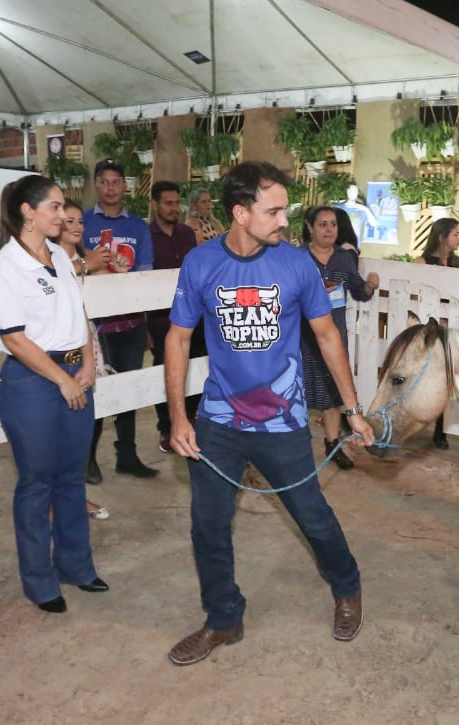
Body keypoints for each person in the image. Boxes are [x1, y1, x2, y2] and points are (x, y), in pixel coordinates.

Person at [162, 161, 375, 666]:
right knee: (208, 525)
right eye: (273, 210)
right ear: (240, 213)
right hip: (217, 421)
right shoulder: (199, 262)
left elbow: (327, 336)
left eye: (286, 209)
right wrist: (177, 417)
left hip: (282, 422)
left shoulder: (297, 265)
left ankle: (347, 587)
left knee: (313, 517)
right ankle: (222, 619)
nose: (284, 220)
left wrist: (352, 410)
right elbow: (177, 337)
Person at [0, 175, 109, 614]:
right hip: (34, 381)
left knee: (71, 476)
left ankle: (76, 565)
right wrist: (63, 378)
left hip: (76, 370)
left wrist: (90, 360)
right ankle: (39, 581)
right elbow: (15, 339)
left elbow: (79, 309)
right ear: (28, 212)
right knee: (37, 483)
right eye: (54, 207)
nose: (64, 215)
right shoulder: (4, 267)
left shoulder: (59, 253)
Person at [82, 158, 157, 481]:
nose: (110, 187)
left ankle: (127, 454)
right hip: (95, 326)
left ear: (124, 186)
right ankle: (86, 458)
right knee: (94, 390)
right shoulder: (82, 223)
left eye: (116, 181)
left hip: (130, 324)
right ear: (96, 185)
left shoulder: (138, 227)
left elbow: (146, 273)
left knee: (129, 389)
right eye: (104, 181)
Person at [299, 206, 378, 469]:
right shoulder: (297, 258)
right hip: (300, 337)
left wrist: (369, 286)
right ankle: (292, 446)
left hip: (335, 336)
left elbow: (359, 292)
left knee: (333, 393)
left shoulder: (344, 258)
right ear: (310, 228)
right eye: (322, 224)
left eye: (332, 224)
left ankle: (332, 444)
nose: (329, 229)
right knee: (295, 391)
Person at [56, 200, 112, 521]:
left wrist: (107, 263)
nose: (76, 227)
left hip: (88, 339)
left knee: (83, 421)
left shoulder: (83, 256)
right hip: (62, 345)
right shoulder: (51, 256)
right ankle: (61, 499)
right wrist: (89, 264)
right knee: (61, 425)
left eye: (79, 221)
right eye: (69, 220)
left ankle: (75, 495)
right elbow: (56, 276)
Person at [146, 180, 200, 454]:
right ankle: (167, 428)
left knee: (196, 368)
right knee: (164, 370)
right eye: (168, 203)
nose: (174, 208)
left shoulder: (187, 234)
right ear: (155, 204)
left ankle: (191, 422)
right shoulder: (146, 235)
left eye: (177, 202)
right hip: (160, 320)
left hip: (193, 316)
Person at [415, 217, 459, 448]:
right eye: (455, 234)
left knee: (448, 375)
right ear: (442, 236)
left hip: (453, 327)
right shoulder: (423, 262)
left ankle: (440, 428)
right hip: (430, 326)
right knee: (426, 373)